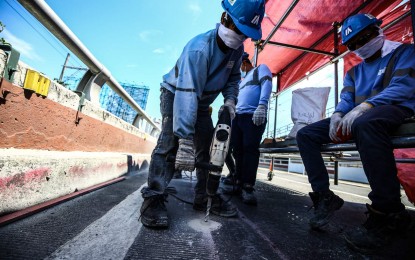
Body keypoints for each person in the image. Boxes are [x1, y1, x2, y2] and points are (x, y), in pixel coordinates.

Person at [139, 0, 265, 229]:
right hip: (176, 92)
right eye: (239, 30)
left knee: (207, 149)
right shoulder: (199, 49)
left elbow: (234, 79)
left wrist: (229, 101)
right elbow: (187, 93)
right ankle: (153, 198)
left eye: (246, 34)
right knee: (169, 143)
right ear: (225, 19)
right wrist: (185, 139)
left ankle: (205, 197)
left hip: (201, 102)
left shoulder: (237, 52)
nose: (241, 38)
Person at [296, 13, 415, 254]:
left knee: (366, 124)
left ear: (377, 30)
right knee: (306, 134)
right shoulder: (354, 72)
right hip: (361, 116)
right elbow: (347, 97)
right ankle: (323, 195)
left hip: (398, 110)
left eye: (365, 37)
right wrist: (339, 114)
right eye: (353, 44)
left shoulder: (404, 52)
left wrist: (365, 107)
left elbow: (403, 87)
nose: (360, 46)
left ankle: (388, 213)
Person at [226, 52, 272, 205]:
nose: (240, 69)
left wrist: (262, 105)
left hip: (253, 115)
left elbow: (267, 84)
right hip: (238, 117)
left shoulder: (260, 69)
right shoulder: (241, 81)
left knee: (250, 149)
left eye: (240, 66)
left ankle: (248, 186)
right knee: (237, 150)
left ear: (244, 63)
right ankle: (238, 182)